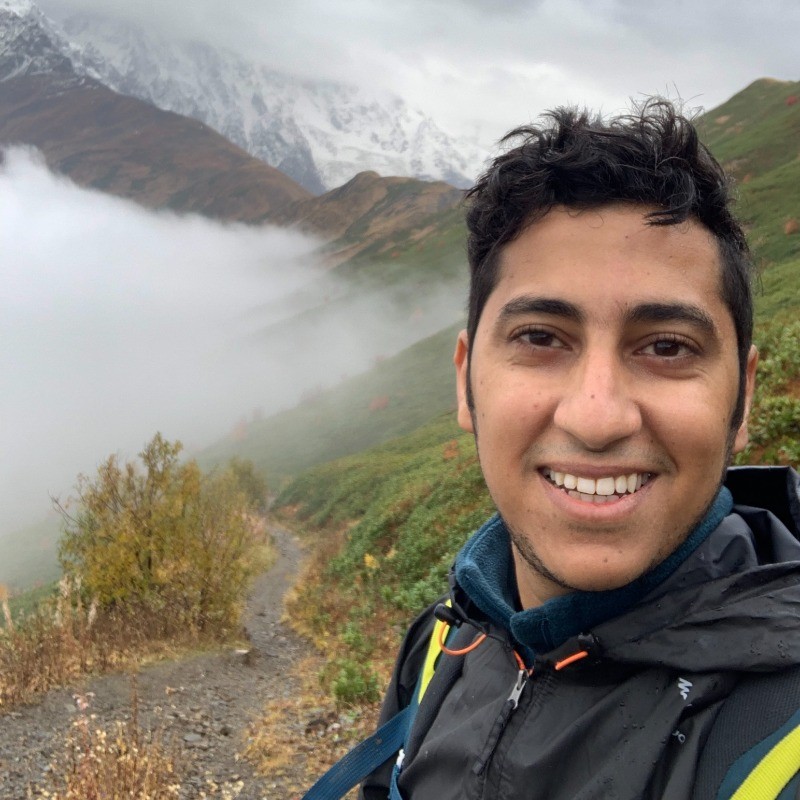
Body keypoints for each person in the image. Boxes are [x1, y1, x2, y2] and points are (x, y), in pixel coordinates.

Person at [354, 99, 800, 800]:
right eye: (539, 337)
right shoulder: (445, 641)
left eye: (666, 347)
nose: (597, 417)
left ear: (741, 398)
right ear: (467, 384)